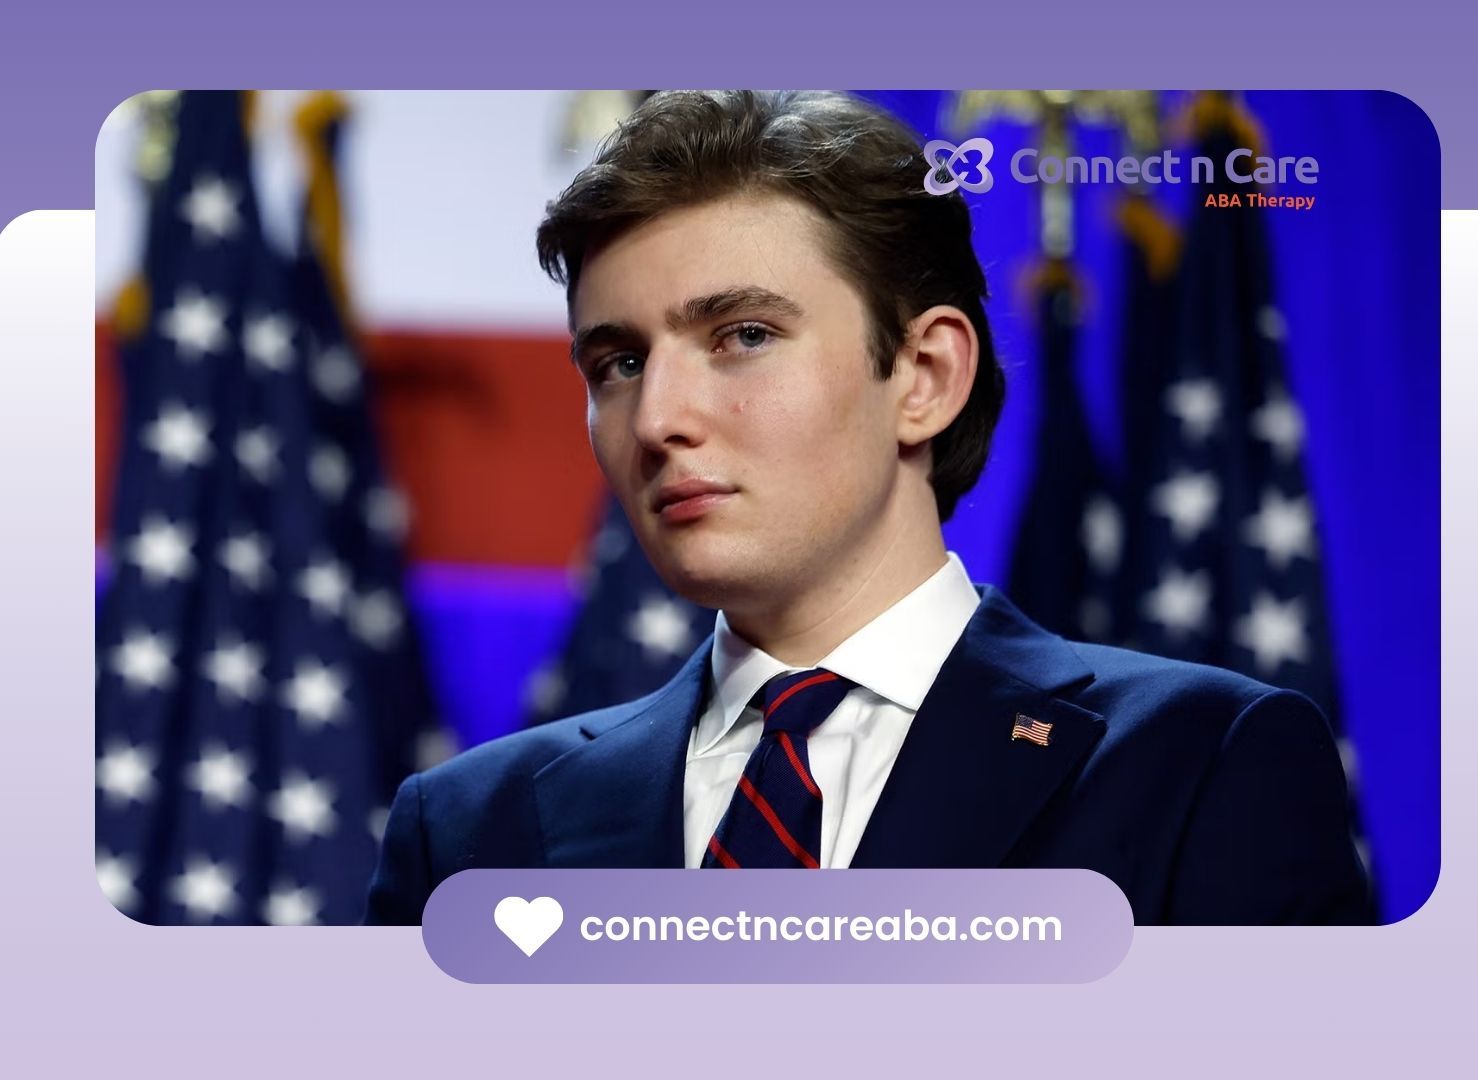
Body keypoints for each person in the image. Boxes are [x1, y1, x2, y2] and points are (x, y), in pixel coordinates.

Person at [365, 90, 1373, 926]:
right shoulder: (464, 832)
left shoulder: (1202, 766)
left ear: (925, 375)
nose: (659, 417)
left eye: (743, 334)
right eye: (618, 362)